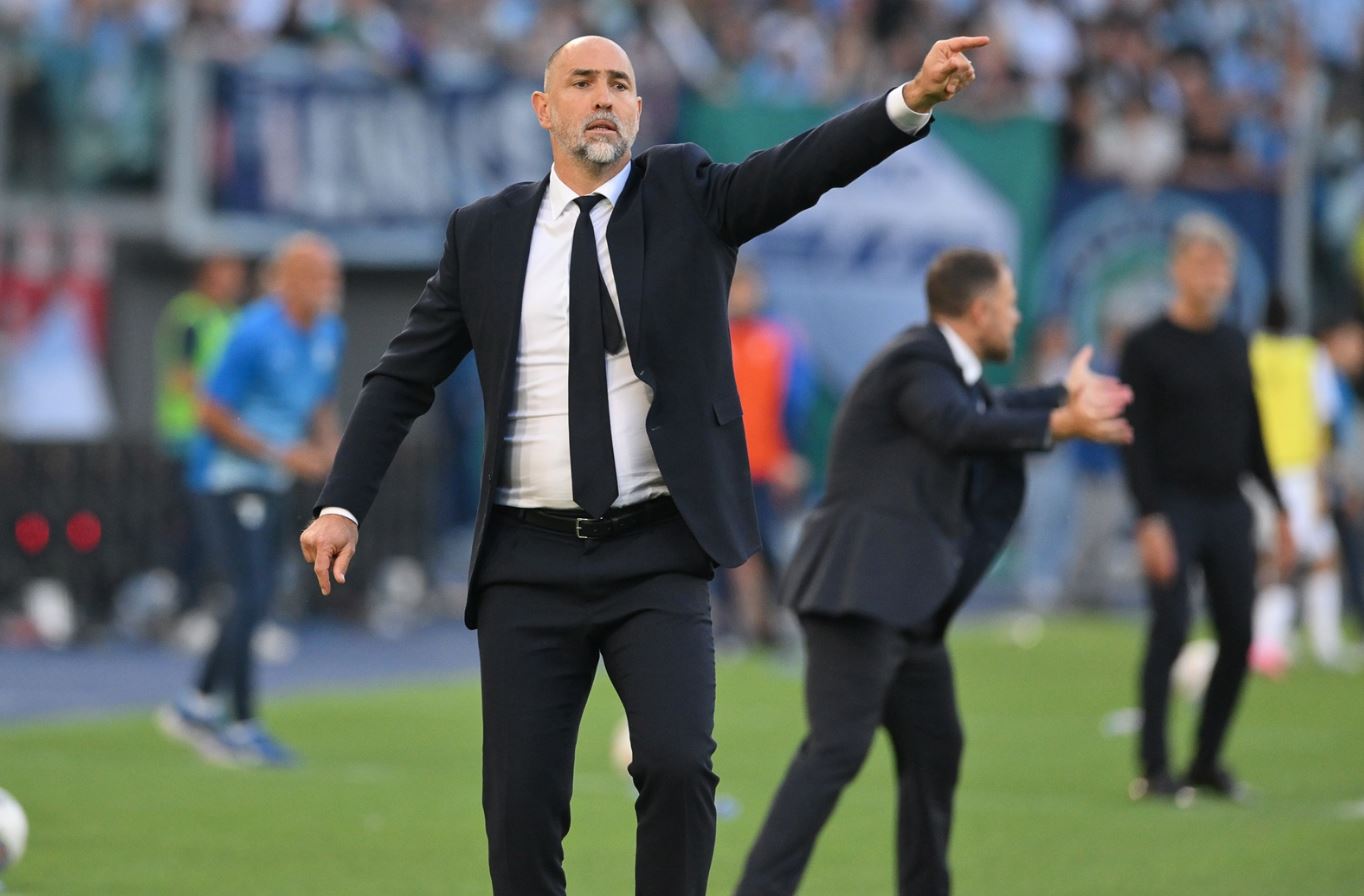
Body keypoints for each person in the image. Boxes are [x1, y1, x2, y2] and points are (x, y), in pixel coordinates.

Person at [298, 32, 988, 896]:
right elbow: (402, 378)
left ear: (637, 107)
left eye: (620, 84)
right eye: (581, 82)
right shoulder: (486, 234)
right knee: (519, 808)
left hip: (655, 550)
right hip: (526, 561)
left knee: (675, 765)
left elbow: (801, 169)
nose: (603, 97)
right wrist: (342, 505)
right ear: (544, 109)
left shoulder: (686, 193)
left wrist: (908, 102)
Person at [733, 249, 1133, 896]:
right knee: (836, 751)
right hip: (858, 595)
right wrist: (1062, 421)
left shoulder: (945, 371)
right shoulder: (917, 361)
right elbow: (957, 425)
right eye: (1009, 306)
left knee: (934, 749)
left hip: (906, 606)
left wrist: (1063, 393)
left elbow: (986, 405)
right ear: (979, 312)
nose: (1017, 317)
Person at [1119, 212, 1293, 802]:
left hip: (1228, 506)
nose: (1213, 274)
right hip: (1173, 506)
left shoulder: (1235, 342)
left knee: (1239, 635)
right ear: (1176, 269)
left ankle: (1206, 761)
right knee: (1170, 628)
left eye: (1221, 264)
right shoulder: (1147, 345)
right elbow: (1135, 440)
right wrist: (1148, 518)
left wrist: (1281, 509)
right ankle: (1154, 767)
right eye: (1201, 263)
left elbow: (1252, 433)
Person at [158, 233, 344, 767]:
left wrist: (332, 454)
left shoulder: (329, 330)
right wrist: (282, 453)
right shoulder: (253, 332)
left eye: (332, 275)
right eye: (316, 275)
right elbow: (211, 414)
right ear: (285, 280)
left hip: (272, 480)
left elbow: (319, 400)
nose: (329, 286)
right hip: (226, 477)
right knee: (251, 593)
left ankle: (196, 703)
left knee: (256, 596)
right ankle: (238, 724)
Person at [1248, 292, 1345, 674]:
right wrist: (1322, 482)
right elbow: (1323, 418)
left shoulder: (1251, 352)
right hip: (1296, 472)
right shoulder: (1309, 355)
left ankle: (1308, 641)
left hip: (1256, 469)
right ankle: (1272, 642)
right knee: (1298, 557)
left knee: (1284, 554)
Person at [722, 259, 813, 646]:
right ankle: (742, 627)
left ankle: (773, 626)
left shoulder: (781, 339)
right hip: (723, 467)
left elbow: (798, 403)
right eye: (736, 287)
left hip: (768, 467)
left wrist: (791, 456)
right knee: (732, 553)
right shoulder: (712, 337)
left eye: (749, 287)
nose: (743, 296)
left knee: (772, 548)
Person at [153, 255, 244, 611]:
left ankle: (205, 602)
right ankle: (183, 603)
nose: (235, 281)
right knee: (192, 527)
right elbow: (182, 375)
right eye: (227, 273)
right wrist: (220, 408)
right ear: (207, 275)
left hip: (224, 442)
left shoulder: (232, 318)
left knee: (219, 527)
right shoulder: (188, 315)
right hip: (188, 438)